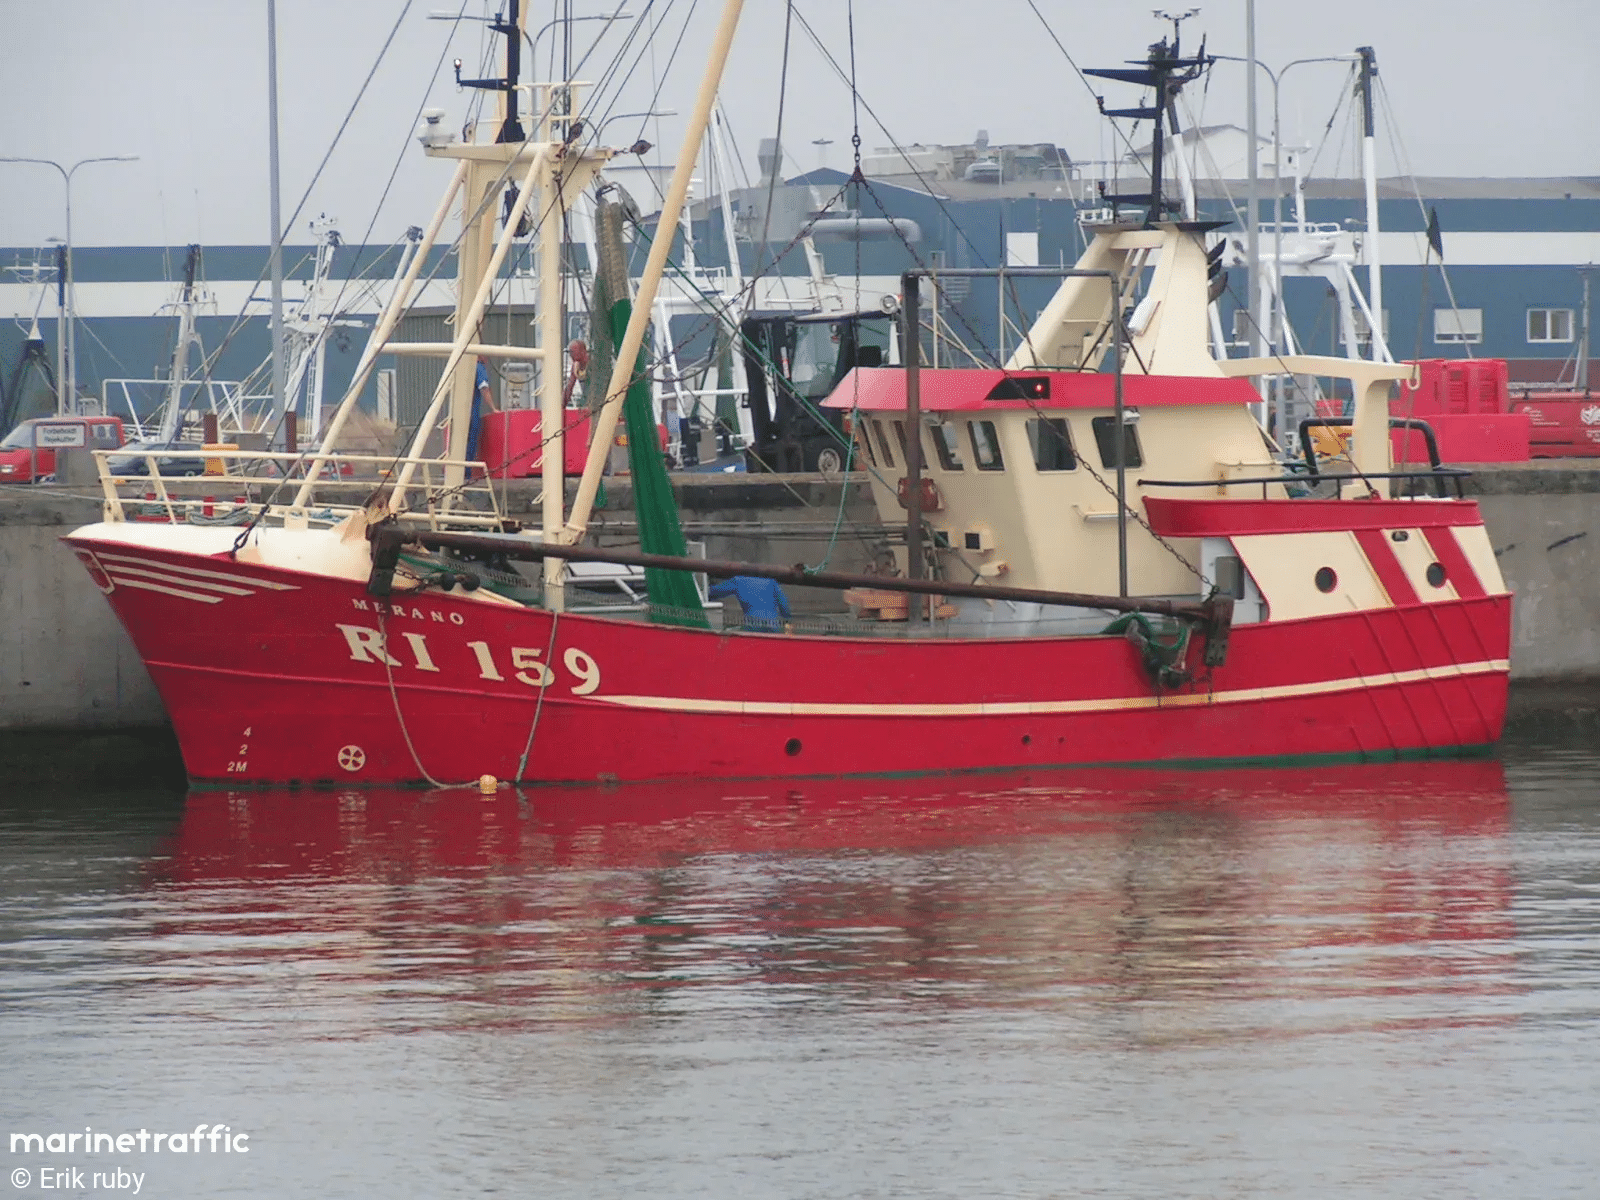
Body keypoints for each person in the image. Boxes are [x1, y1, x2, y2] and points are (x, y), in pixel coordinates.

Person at [708, 574, 792, 633]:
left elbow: (714, 592)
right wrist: (787, 620)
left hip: (753, 624)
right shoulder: (771, 582)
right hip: (773, 624)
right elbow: (783, 604)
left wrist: (708, 585)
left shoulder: (738, 580)